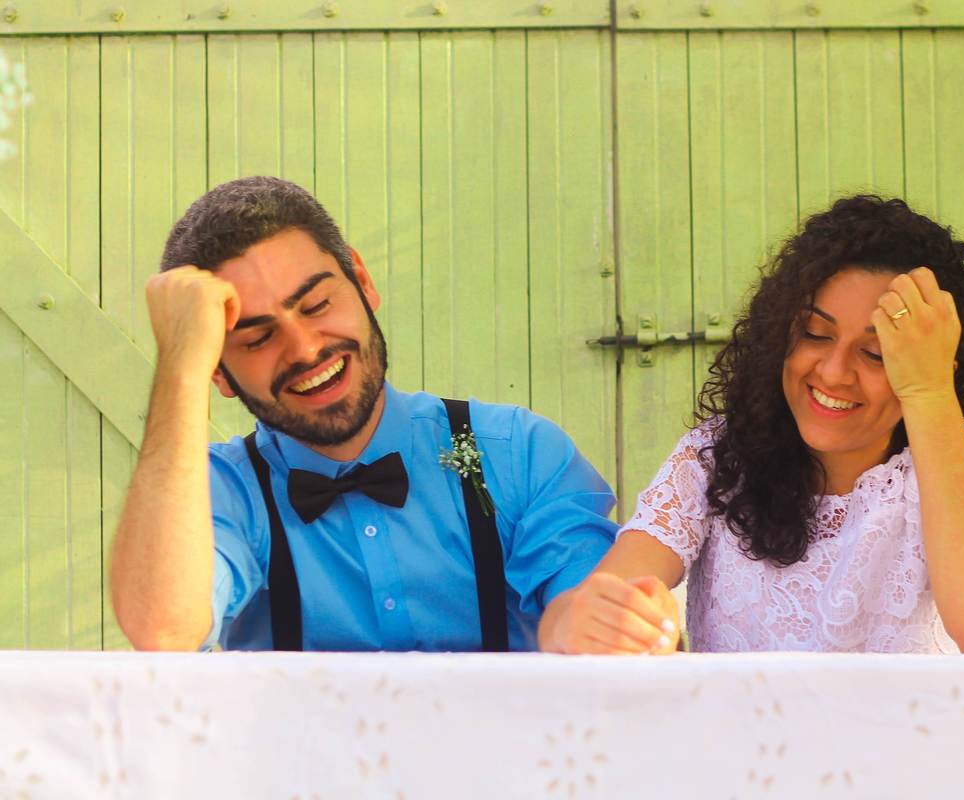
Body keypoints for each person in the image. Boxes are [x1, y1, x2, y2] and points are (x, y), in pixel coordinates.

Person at [111, 176, 621, 652]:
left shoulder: (517, 453)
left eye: (315, 306)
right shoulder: (221, 492)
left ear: (362, 282)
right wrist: (180, 365)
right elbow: (163, 629)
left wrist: (606, 619)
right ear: (219, 373)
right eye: (258, 338)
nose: (306, 349)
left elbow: (591, 611)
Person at [539, 195, 964, 654]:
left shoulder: (954, 451)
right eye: (815, 334)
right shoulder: (714, 457)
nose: (834, 373)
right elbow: (588, 604)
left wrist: (929, 393)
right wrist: (582, 621)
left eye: (876, 353)